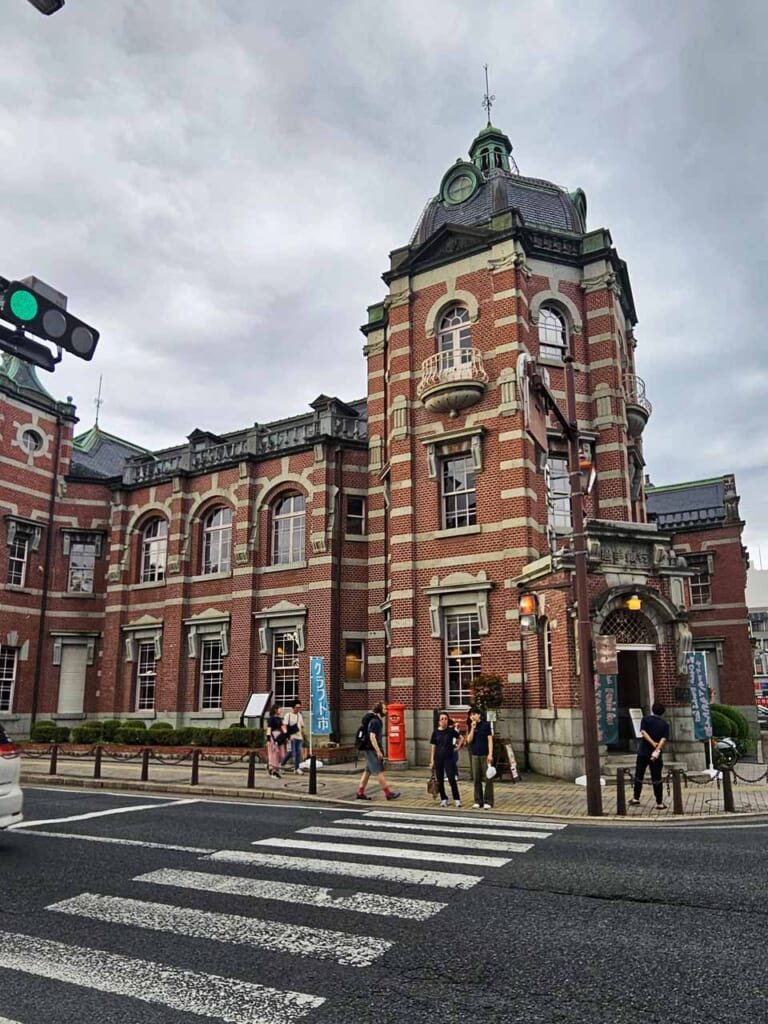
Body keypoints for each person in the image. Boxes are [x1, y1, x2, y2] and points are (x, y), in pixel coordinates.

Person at [629, 702, 670, 810]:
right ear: (663, 712)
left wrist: (652, 743)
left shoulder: (646, 719)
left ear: (652, 710)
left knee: (639, 774)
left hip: (643, 752)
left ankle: (636, 798)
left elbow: (643, 732)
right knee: (657, 777)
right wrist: (657, 748)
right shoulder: (665, 724)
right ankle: (659, 802)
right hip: (656, 755)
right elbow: (663, 739)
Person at [356, 702, 400, 801]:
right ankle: (388, 793)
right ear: (380, 710)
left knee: (368, 771)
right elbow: (372, 737)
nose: (386, 711)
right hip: (371, 749)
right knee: (379, 771)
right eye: (385, 709)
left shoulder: (375, 720)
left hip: (368, 748)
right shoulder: (375, 721)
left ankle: (360, 792)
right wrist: (378, 751)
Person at [430, 712, 462, 807]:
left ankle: (457, 799)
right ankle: (444, 798)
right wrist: (432, 760)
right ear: (439, 721)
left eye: (446, 719)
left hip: (449, 757)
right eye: (442, 719)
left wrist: (458, 747)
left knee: (451, 778)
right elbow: (433, 747)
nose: (444, 721)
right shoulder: (435, 732)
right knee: (440, 779)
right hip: (438, 758)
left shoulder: (451, 731)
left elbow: (461, 738)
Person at [466, 706, 494, 809]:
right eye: (471, 715)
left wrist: (490, 754)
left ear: (479, 715)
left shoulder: (485, 725)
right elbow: (468, 741)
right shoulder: (471, 726)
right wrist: (472, 729)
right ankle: (478, 800)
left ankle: (488, 801)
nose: (473, 716)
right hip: (475, 755)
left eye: (474, 714)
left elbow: (490, 740)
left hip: (485, 755)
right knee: (476, 778)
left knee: (488, 778)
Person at [281, 699, 306, 774]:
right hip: (291, 737)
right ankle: (281, 765)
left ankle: (296, 768)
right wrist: (287, 736)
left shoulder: (300, 715)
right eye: (297, 707)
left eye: (299, 707)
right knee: (291, 753)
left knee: (298, 753)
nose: (298, 709)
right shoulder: (288, 715)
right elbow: (284, 726)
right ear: (293, 707)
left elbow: (301, 727)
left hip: (298, 737)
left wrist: (302, 736)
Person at [265, 703, 285, 778]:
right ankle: (272, 770)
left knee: (281, 754)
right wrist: (269, 738)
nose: (281, 710)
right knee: (273, 754)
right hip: (273, 737)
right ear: (275, 710)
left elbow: (283, 728)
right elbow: (269, 728)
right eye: (279, 708)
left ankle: (275, 767)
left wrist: (286, 735)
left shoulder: (279, 719)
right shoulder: (271, 719)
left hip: (280, 737)